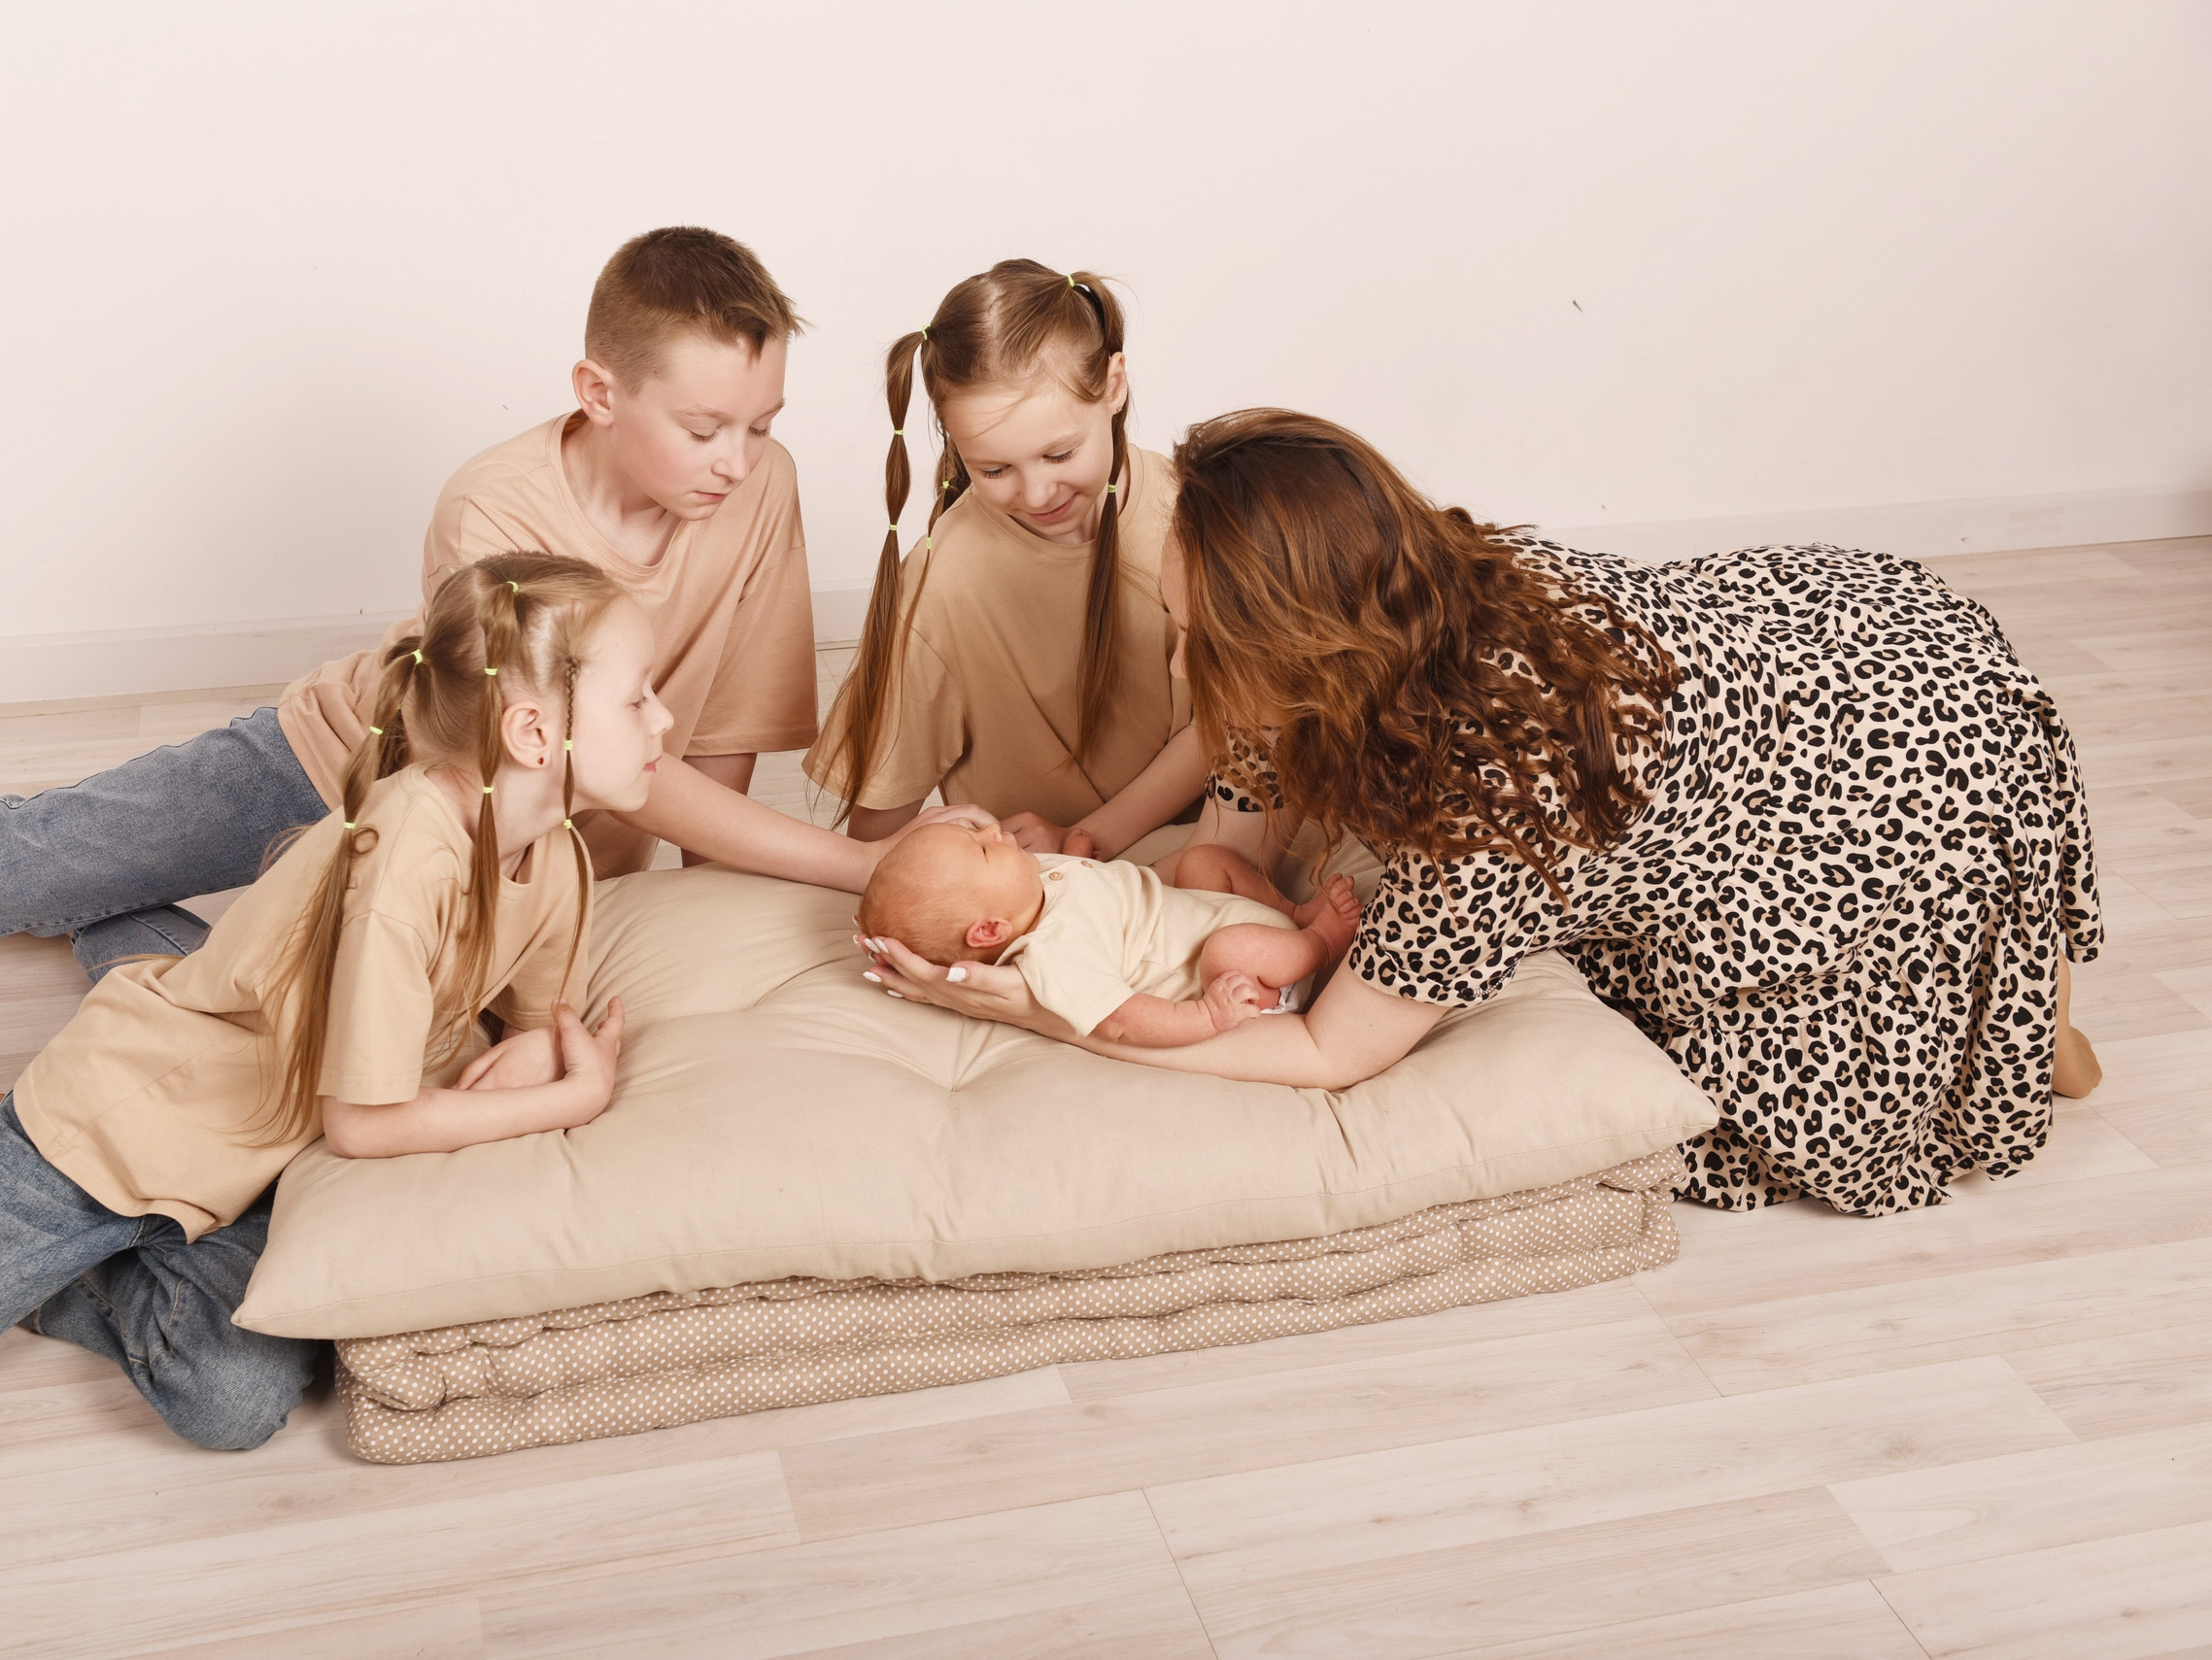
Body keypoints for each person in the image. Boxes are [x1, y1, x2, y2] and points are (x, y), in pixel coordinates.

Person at [867, 408, 2107, 1216]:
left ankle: (2017, 991)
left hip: (1899, 752)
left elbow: (1328, 1054)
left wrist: (1052, 1015)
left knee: (1780, 1102)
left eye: (1200, 639)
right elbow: (1242, 787)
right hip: (1810, 620)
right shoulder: (1403, 577)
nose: (1183, 664)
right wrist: (1198, 858)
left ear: (1298, 645)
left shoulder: (1488, 806)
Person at [0, 225, 846, 982]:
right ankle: (77, 887)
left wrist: (698, 949)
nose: (738, 460)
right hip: (327, 767)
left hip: (498, 866)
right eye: (705, 429)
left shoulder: (761, 489)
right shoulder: (494, 509)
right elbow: (603, 762)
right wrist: (858, 865)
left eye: (763, 424)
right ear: (598, 391)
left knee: (276, 1016)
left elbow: (722, 734)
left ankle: (112, 912)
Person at [0, 553, 654, 1448]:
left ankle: (59, 1263)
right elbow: (364, 1123)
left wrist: (540, 1045)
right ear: (534, 734)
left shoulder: (557, 853)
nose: (665, 720)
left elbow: (537, 1018)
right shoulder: (406, 859)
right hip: (119, 1133)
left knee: (230, 1401)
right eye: (639, 697)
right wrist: (569, 1096)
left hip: (265, 1163)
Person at [803, 259, 1202, 862]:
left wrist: (1088, 837)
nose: (1038, 494)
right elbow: (877, 829)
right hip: (1035, 880)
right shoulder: (941, 584)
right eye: (993, 469)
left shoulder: (1192, 516)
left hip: (1209, 852)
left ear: (1114, 385)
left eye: (1059, 454)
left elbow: (1232, 731)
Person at [856, 819, 1360, 1047]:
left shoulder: (1029, 883)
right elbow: (1119, 1022)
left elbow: (1087, 891)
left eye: (974, 833)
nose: (992, 831)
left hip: (1218, 914)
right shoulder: (1053, 957)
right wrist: (1208, 1015)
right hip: (1247, 980)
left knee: (1202, 860)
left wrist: (1079, 860)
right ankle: (1320, 944)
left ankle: (1292, 911)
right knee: (1229, 949)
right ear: (990, 930)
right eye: (985, 849)